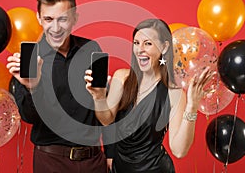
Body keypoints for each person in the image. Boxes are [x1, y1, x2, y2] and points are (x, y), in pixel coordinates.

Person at [84, 18, 215, 172]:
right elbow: (106, 120)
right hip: (120, 168)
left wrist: (192, 107)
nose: (140, 50)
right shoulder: (122, 78)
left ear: (164, 47)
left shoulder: (174, 93)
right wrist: (99, 97)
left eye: (148, 43)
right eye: (136, 43)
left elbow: (179, 150)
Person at [7, 0, 112, 173]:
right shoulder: (29, 58)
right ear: (39, 18)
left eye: (62, 19)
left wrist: (111, 153)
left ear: (74, 19)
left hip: (93, 160)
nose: (55, 28)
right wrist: (33, 87)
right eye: (48, 19)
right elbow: (28, 117)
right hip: (51, 162)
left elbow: (105, 103)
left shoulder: (91, 49)